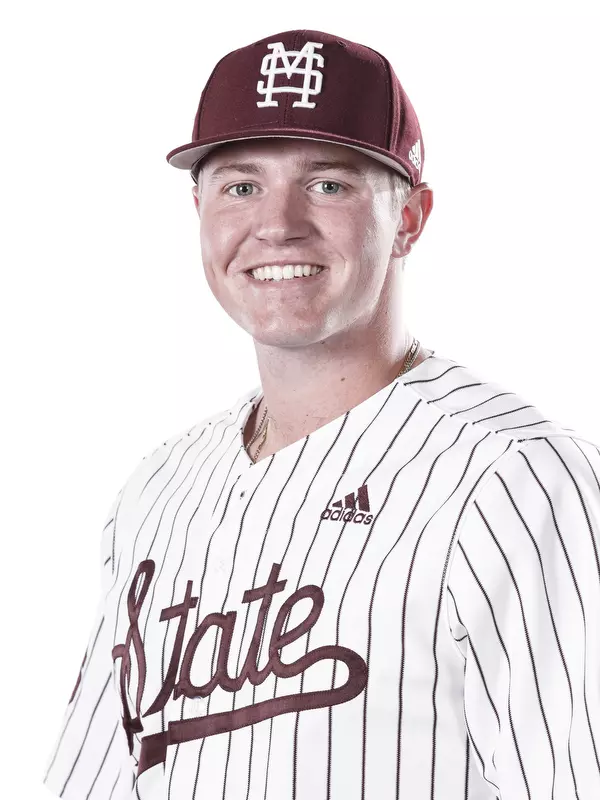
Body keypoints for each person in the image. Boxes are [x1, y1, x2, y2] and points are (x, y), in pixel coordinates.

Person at [42, 28, 600, 800]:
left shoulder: (514, 477)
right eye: (241, 186)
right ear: (199, 208)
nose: (277, 224)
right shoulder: (157, 491)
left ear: (409, 218)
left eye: (329, 184)